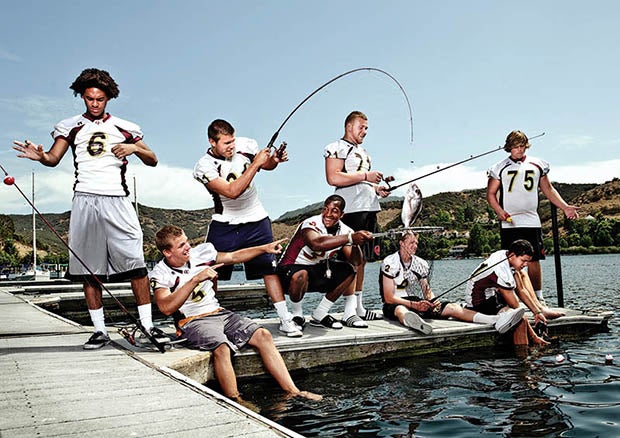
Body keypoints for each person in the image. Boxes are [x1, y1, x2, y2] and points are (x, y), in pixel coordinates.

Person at [13, 68, 167, 349]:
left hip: (118, 200)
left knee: (136, 265)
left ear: (108, 98)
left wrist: (134, 149)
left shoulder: (126, 127)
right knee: (89, 271)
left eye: (100, 99)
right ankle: (100, 331)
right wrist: (40, 156)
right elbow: (53, 158)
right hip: (85, 199)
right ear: (82, 97)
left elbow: (153, 159)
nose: (94, 104)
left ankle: (147, 326)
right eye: (89, 99)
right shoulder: (70, 125)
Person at [149, 225, 321, 402]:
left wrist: (264, 248)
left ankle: (293, 391)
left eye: (186, 242)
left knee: (263, 335)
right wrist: (195, 280)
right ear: (167, 252)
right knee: (222, 347)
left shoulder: (200, 253)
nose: (188, 247)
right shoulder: (160, 274)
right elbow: (165, 307)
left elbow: (233, 256)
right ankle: (237, 400)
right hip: (192, 321)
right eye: (181, 246)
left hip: (219, 313)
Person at [193, 119, 302, 337]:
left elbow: (266, 165)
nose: (231, 147)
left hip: (256, 217)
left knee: (269, 270)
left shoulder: (246, 145)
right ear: (211, 142)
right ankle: (208, 317)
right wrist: (256, 164)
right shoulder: (203, 166)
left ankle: (285, 319)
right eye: (225, 143)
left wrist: (274, 160)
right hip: (225, 221)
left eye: (232, 141)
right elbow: (232, 191)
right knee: (211, 270)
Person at [487, 130, 579, 305]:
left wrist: (565, 206)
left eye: (522, 146)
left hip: (531, 219)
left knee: (534, 258)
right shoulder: (499, 167)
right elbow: (491, 194)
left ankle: (538, 297)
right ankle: (515, 297)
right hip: (509, 221)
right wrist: (499, 211)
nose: (519, 150)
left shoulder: (537, 164)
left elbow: (548, 189)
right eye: (515, 147)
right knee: (511, 259)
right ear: (509, 147)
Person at [380, 231, 525, 335]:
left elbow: (426, 289)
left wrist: (432, 301)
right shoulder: (389, 262)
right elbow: (388, 297)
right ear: (401, 243)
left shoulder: (421, 264)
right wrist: (414, 305)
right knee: (400, 310)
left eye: (416, 243)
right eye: (411, 243)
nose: (415, 246)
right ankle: (413, 322)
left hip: (416, 302)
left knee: (452, 307)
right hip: (396, 302)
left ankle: (495, 320)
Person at [324, 111, 389, 321]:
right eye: (362, 127)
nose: (365, 131)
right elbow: (333, 177)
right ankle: (348, 311)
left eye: (367, 128)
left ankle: (358, 307)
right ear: (349, 126)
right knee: (351, 260)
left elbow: (363, 180)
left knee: (362, 260)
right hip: (351, 210)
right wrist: (365, 176)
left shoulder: (364, 151)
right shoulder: (337, 147)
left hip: (369, 207)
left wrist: (377, 188)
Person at [277, 195, 374, 330]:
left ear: (342, 214)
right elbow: (316, 244)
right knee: (301, 274)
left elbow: (356, 261)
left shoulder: (345, 230)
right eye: (325, 209)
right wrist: (350, 237)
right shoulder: (310, 223)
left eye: (334, 211)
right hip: (288, 271)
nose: (328, 214)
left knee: (349, 270)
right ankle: (297, 315)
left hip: (315, 270)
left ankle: (320, 313)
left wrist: (356, 243)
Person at [464, 239, 553, 346]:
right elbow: (515, 306)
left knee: (518, 315)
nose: (526, 264)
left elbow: (521, 290)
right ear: (512, 255)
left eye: (527, 261)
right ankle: (523, 355)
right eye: (523, 261)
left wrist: (537, 312)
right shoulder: (501, 271)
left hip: (491, 294)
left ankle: (531, 344)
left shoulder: (504, 254)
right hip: (479, 302)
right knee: (520, 321)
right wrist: (534, 334)